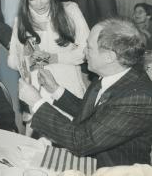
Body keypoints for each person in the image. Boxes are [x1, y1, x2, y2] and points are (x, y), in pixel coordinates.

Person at [19, 18, 152, 168]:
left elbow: (81, 141)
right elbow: (94, 114)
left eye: (88, 47)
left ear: (109, 57)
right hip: (92, 161)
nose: (83, 51)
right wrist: (56, 90)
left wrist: (36, 103)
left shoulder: (137, 99)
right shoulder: (112, 73)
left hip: (113, 170)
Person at [8, 0, 89, 99]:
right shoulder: (21, 20)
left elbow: (86, 51)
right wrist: (27, 59)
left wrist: (53, 58)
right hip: (38, 91)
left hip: (68, 87)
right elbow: (12, 61)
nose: (39, 4)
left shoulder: (70, 10)